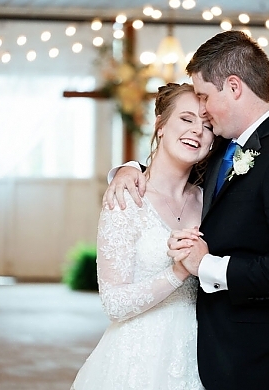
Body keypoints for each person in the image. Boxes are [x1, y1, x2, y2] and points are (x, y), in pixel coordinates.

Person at [105, 30, 269, 390]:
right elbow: (175, 159)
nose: (203, 113)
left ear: (235, 87)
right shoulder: (226, 142)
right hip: (213, 346)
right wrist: (129, 169)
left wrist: (203, 265)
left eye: (206, 98)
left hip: (264, 353)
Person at [71, 83, 215, 390]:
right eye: (186, 119)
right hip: (137, 358)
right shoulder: (126, 196)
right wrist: (179, 271)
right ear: (160, 126)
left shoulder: (211, 202)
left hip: (201, 355)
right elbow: (114, 303)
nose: (197, 131)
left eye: (207, 125)